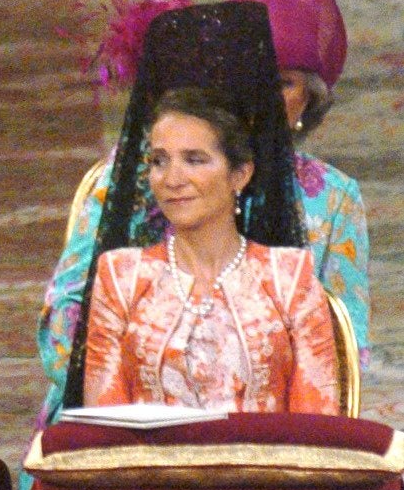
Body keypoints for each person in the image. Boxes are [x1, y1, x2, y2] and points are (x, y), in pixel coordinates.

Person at [38, 0, 366, 422]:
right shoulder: (134, 175)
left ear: (310, 101)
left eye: (283, 83)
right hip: (130, 426)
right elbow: (62, 319)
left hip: (270, 432)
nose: (261, 94)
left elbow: (344, 345)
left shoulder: (334, 197)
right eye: (253, 77)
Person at [81, 85, 339, 414]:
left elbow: (316, 432)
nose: (172, 179)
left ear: (240, 174)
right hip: (150, 466)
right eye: (159, 161)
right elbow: (105, 431)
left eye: (194, 160)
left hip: (267, 465)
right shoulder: (120, 278)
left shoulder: (290, 279)